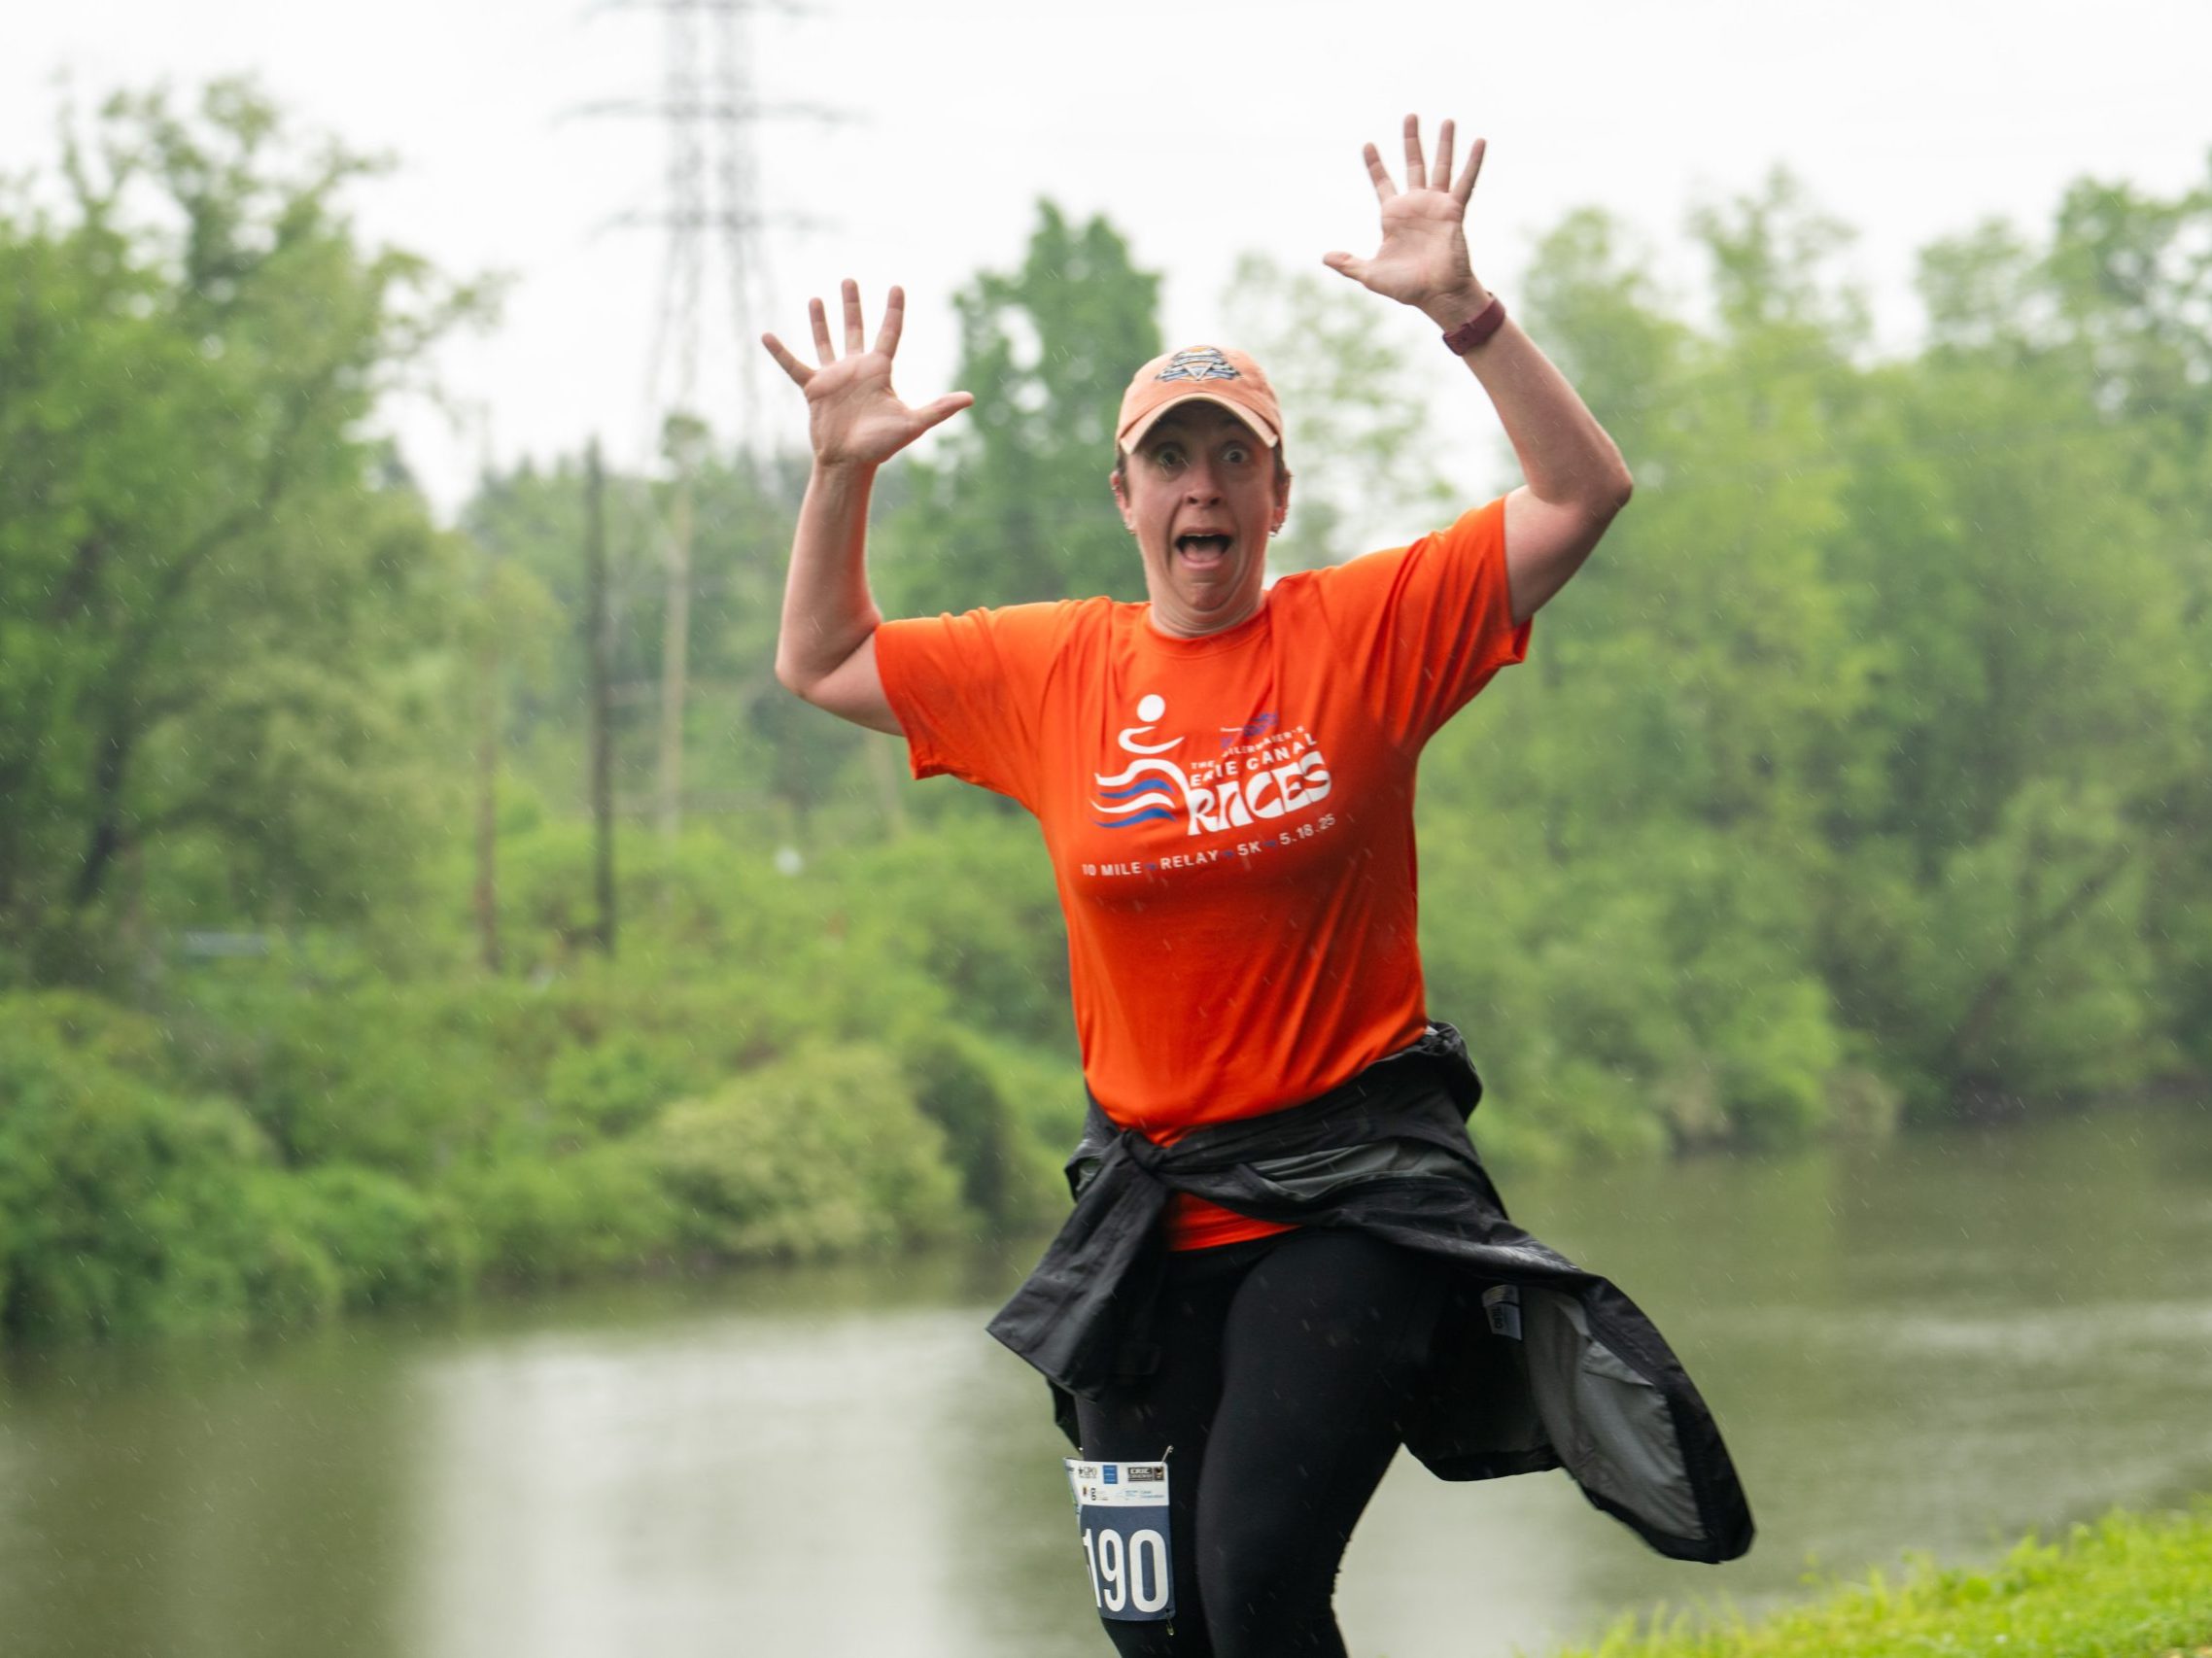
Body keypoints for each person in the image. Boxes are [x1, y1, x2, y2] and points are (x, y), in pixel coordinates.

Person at [765, 116, 1751, 1658]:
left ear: (1277, 496)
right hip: (1149, 1213)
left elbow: (1582, 495)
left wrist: (1464, 314)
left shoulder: (1362, 633)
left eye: (1233, 454)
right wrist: (839, 473)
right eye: (1172, 456)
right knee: (1162, 1635)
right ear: (1128, 495)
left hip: (1350, 1195)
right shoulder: (1053, 671)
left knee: (1257, 1580)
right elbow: (820, 657)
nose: (1201, 483)